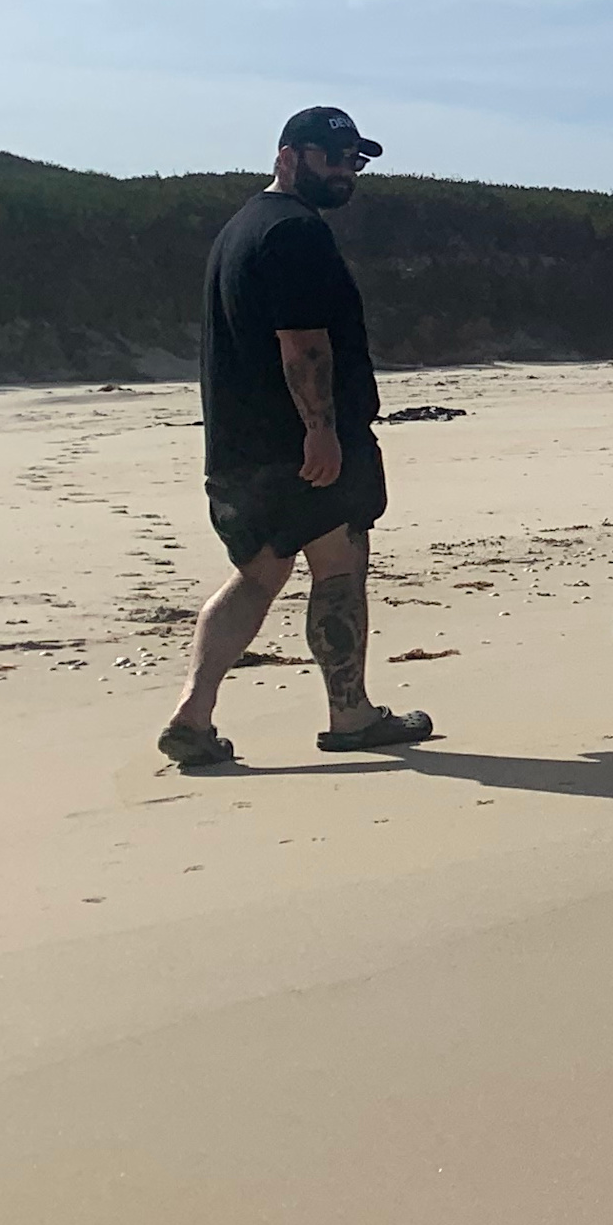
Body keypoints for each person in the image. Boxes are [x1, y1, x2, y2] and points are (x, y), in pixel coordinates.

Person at [156, 107, 437, 769]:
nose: (345, 172)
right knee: (339, 566)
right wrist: (321, 431)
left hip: (239, 448)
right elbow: (304, 344)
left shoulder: (241, 229)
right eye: (331, 157)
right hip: (300, 450)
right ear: (288, 157)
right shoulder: (296, 233)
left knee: (257, 575)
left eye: (354, 161)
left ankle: (193, 713)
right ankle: (351, 714)